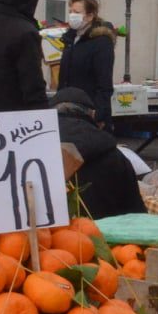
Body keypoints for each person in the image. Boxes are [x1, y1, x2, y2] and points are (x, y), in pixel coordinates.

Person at [54, 88, 144, 217]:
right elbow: (137, 213)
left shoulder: (37, 149)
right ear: (92, 114)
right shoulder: (114, 155)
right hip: (106, 233)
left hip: (49, 235)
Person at [56, 0, 117, 125]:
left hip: (89, 111)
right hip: (66, 109)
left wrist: (99, 114)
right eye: (70, 11)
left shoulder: (101, 42)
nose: (72, 15)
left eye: (77, 12)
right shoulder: (70, 40)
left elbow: (104, 82)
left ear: (90, 16)